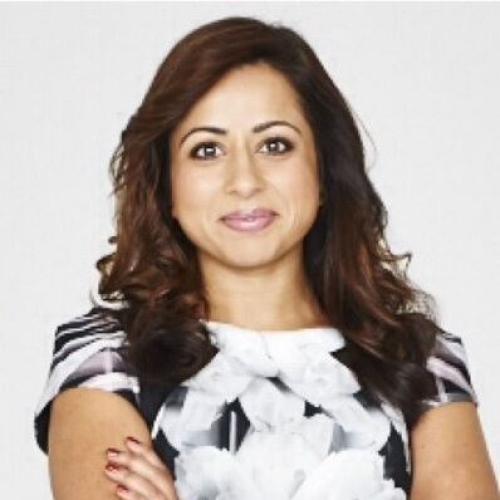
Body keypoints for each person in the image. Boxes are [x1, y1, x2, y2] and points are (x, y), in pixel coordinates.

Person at [34, 15, 498, 500]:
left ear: (323, 171)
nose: (245, 181)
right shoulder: (104, 358)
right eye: (207, 150)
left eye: (275, 145)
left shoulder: (422, 361)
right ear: (166, 186)